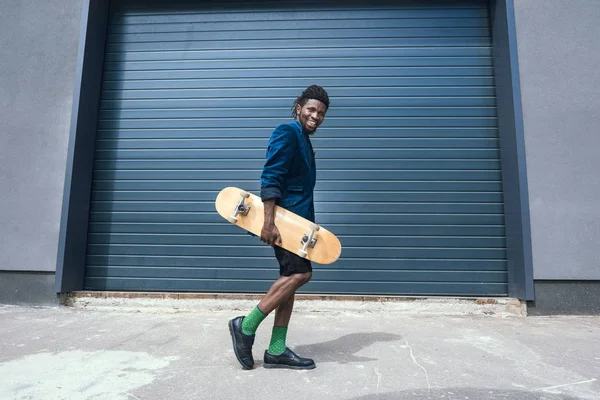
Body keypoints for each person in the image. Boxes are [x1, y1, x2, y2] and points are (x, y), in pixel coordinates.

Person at [228, 85, 330, 370]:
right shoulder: (287, 132)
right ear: (298, 107)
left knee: (290, 280)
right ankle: (245, 326)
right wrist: (269, 222)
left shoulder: (303, 139)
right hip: (283, 222)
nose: (316, 116)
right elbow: (271, 176)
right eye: (311, 109)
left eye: (321, 113)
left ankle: (276, 350)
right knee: (301, 274)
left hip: (298, 223)